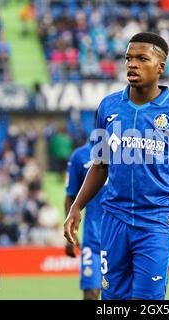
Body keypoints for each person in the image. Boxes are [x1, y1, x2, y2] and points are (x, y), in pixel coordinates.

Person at [64, 32, 169, 300]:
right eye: (128, 58)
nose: (131, 64)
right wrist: (77, 206)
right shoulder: (108, 107)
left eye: (141, 58)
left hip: (156, 222)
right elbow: (100, 166)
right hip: (113, 221)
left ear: (160, 67)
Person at [64, 112, 105, 300]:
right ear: (97, 121)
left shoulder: (127, 155)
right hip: (93, 238)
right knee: (90, 294)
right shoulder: (80, 156)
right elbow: (70, 197)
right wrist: (70, 235)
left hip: (121, 238)